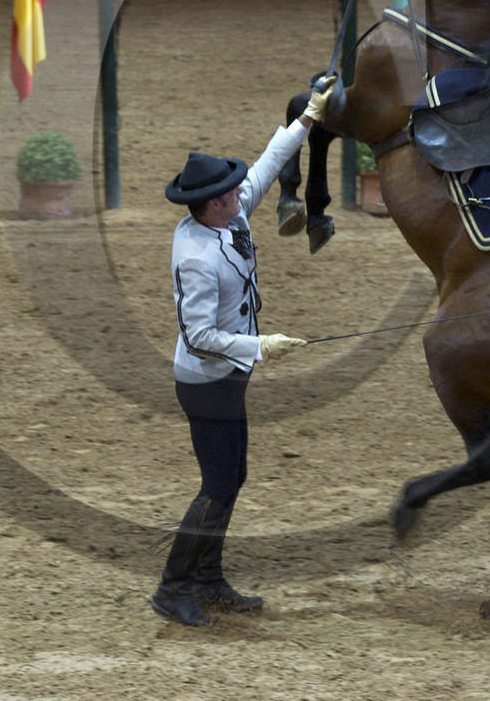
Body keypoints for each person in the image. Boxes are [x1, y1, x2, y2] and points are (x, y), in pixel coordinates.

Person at [151, 82, 333, 628]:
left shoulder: (227, 217)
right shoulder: (196, 259)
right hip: (206, 379)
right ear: (211, 204)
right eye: (231, 193)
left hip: (227, 377)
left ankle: (207, 577)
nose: (242, 193)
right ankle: (172, 586)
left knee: (235, 474)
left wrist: (305, 119)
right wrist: (262, 345)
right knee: (218, 483)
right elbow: (199, 333)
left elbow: (267, 163)